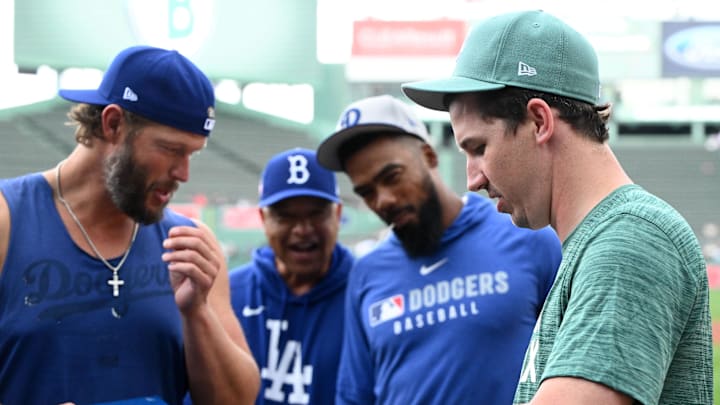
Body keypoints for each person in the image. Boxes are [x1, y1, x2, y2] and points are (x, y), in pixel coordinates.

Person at [402, 10, 713, 405]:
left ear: (538, 121)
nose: (473, 180)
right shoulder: (600, 240)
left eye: (479, 148)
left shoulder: (629, 241)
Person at [0, 45, 260, 405]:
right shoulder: (8, 220)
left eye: (193, 153)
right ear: (113, 124)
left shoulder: (189, 244)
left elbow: (238, 401)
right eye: (171, 149)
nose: (183, 173)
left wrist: (196, 313)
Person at [316, 94, 562, 404]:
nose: (383, 200)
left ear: (429, 156)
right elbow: (354, 396)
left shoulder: (528, 238)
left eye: (391, 177)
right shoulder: (367, 273)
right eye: (367, 192)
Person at [227, 148, 354, 405]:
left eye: (316, 213)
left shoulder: (365, 293)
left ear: (338, 215)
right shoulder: (230, 293)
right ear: (263, 219)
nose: (303, 230)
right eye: (285, 216)